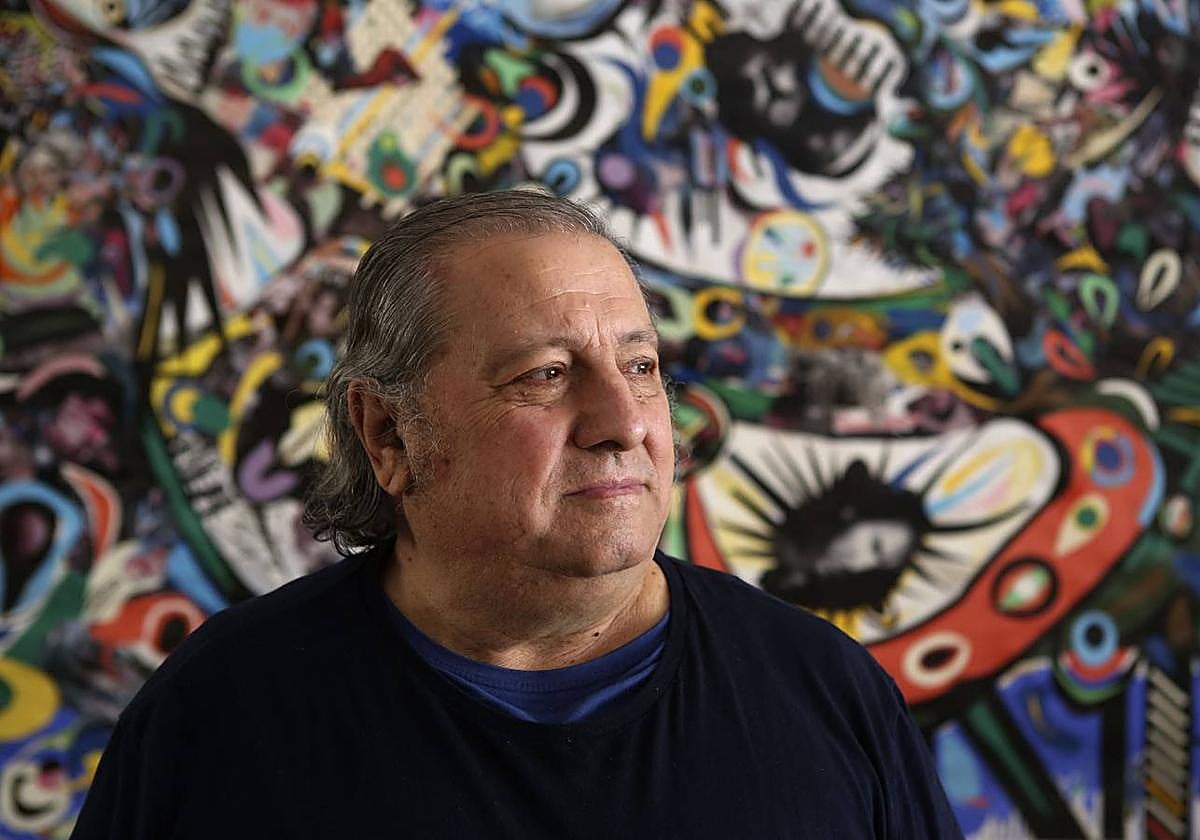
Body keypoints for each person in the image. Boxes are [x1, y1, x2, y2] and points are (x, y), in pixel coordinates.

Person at [71, 189, 962, 838]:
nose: (624, 424)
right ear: (388, 433)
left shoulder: (822, 693)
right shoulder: (224, 714)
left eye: (641, 367)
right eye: (546, 374)